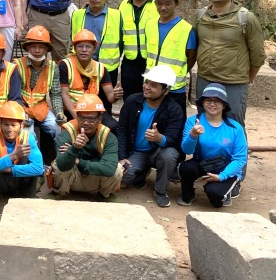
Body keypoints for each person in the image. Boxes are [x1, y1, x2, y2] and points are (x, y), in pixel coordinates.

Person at [118, 0, 213, 99]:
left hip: (149, 62)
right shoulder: (123, 5)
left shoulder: (159, 1)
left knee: (152, 100)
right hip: (129, 64)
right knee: (131, 101)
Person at [194, 0, 264, 129]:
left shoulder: (246, 18)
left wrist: (247, 78)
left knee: (233, 125)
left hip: (233, 83)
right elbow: (195, 45)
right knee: (203, 124)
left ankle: (237, 148)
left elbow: (258, 55)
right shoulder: (201, 16)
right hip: (205, 80)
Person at [116, 65, 184, 208]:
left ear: (166, 90)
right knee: (122, 176)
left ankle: (160, 191)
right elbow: (121, 130)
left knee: (169, 154)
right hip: (137, 152)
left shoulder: (174, 109)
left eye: (153, 85)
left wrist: (159, 138)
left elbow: (173, 139)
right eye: (146, 82)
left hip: (158, 152)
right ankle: (141, 172)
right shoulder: (132, 101)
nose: (147, 87)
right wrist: (122, 157)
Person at [179, 84, 247, 208]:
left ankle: (224, 191)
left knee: (215, 196)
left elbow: (240, 159)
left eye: (217, 101)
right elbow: (187, 150)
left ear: (224, 105)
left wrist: (221, 176)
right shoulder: (193, 121)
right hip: (203, 162)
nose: (212, 104)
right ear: (202, 102)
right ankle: (188, 195)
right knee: (185, 168)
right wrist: (193, 135)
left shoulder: (235, 128)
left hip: (225, 166)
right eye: (208, 100)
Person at [49, 95, 122, 202]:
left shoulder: (108, 136)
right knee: (56, 164)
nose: (86, 122)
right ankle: (62, 193)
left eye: (91, 119)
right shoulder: (67, 133)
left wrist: (78, 161)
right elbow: (62, 165)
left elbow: (109, 169)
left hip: (95, 178)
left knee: (117, 169)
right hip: (73, 178)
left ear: (99, 119)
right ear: (77, 117)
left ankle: (103, 195)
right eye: (82, 118)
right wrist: (74, 148)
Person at [0, 101, 44, 214]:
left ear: (21, 125)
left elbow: (38, 168)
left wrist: (10, 169)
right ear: (0, 123)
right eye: (6, 124)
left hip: (16, 177)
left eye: (13, 125)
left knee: (28, 159)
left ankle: (27, 196)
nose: (9, 129)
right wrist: (14, 156)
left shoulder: (28, 137)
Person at [144, 0, 197, 117]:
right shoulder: (149, 25)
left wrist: (178, 73)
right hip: (151, 86)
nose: (163, 7)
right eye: (159, 3)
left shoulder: (186, 29)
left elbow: (191, 57)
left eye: (168, 3)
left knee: (174, 125)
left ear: (176, 3)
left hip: (174, 88)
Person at [59, 29, 119, 132]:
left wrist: (116, 95)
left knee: (113, 126)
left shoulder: (100, 68)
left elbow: (110, 96)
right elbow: (64, 94)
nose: (84, 50)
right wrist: (77, 118)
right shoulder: (65, 65)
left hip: (93, 111)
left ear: (94, 49)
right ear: (75, 48)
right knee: (69, 130)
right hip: (72, 111)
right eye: (80, 46)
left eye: (88, 47)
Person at [14, 26, 64, 142]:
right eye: (33, 47)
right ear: (28, 47)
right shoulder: (17, 65)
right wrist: (20, 112)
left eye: (41, 47)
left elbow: (55, 94)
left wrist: (59, 112)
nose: (37, 50)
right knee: (28, 136)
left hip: (42, 110)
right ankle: (34, 155)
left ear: (46, 49)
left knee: (59, 129)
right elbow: (14, 95)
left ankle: (60, 154)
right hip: (23, 109)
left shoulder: (53, 67)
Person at [71, 0, 121, 86]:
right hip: (82, 67)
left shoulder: (117, 15)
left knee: (106, 97)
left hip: (107, 68)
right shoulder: (77, 15)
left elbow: (121, 43)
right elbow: (72, 40)